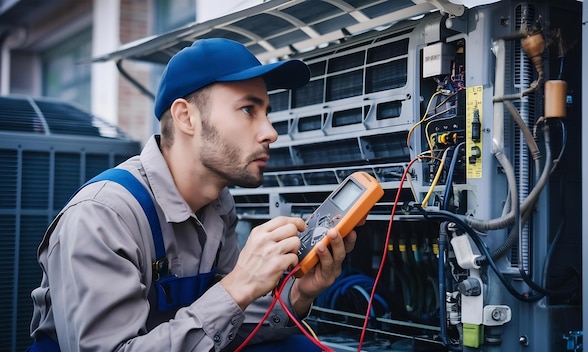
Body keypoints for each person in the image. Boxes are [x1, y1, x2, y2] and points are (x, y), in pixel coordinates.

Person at [29, 38, 357, 351]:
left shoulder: (217, 207)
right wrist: (238, 285)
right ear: (186, 117)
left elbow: (224, 326)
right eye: (248, 110)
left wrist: (298, 294)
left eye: (267, 112)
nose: (270, 131)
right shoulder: (102, 215)